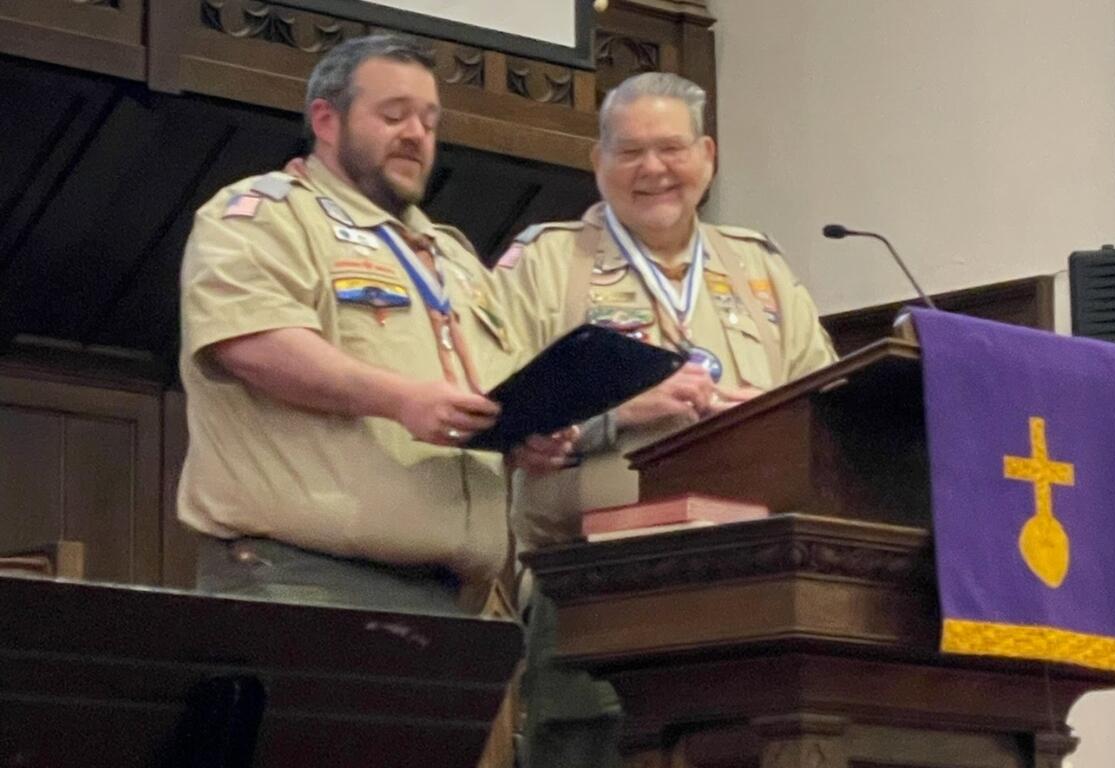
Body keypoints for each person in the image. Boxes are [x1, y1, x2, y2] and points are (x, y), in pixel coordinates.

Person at [494, 72, 839, 768]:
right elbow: (489, 424)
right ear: (598, 162)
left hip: (748, 591)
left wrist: (761, 418)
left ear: (707, 156)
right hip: (595, 587)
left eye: (672, 149)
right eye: (629, 151)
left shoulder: (762, 270)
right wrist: (621, 414)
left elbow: (825, 423)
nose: (653, 169)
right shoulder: (545, 264)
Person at [177, 33, 576, 618]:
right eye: (393, 115)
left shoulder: (455, 257)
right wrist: (401, 399)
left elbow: (491, 394)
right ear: (326, 119)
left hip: (451, 596)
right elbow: (252, 343)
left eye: (429, 121)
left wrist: (526, 436)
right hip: (305, 579)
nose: (416, 134)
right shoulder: (264, 215)